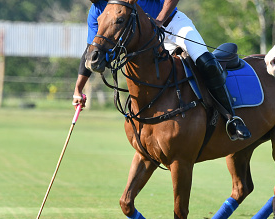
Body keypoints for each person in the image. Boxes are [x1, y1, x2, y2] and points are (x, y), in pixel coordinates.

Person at [73, 0, 251, 141]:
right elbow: (92, 49)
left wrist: (160, 20)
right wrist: (78, 90)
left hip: (173, 25)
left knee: (205, 61)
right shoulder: (97, 10)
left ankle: (232, 119)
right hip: (150, 42)